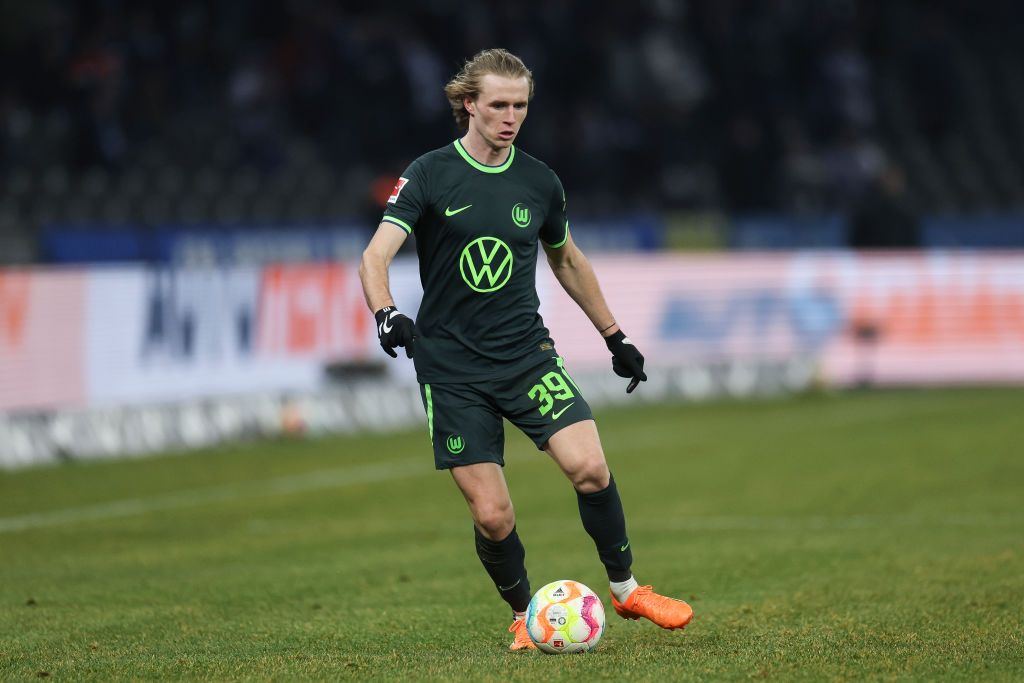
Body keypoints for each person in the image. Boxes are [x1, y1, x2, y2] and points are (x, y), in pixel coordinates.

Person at [358, 48, 693, 651]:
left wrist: (614, 336)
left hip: (526, 356)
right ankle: (523, 615)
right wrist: (386, 314)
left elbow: (566, 259)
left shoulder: (539, 181)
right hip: (452, 367)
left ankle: (626, 589)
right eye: (498, 105)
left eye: (520, 106)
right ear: (468, 105)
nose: (511, 117)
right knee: (493, 516)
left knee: (590, 467)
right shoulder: (431, 173)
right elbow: (375, 254)